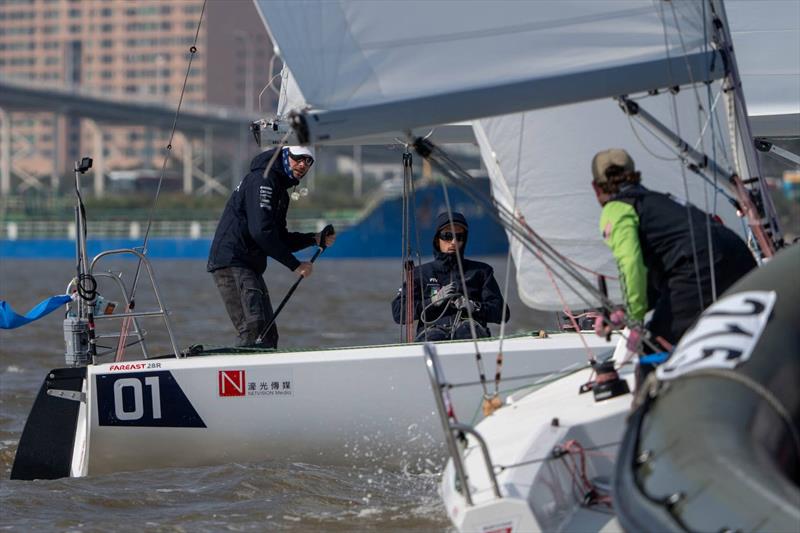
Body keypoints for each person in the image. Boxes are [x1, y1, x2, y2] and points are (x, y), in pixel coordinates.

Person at [590, 148, 756, 354]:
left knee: (652, 350)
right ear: (634, 177)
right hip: (741, 259)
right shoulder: (660, 201)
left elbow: (631, 264)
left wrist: (634, 320)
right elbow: (655, 276)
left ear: (596, 188)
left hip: (697, 267)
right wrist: (624, 313)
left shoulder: (616, 209)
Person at [207, 146, 335, 348]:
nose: (303, 164)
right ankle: (244, 376)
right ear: (285, 155)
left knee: (268, 334)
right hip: (234, 261)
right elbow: (261, 232)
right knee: (253, 328)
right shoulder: (263, 180)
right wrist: (295, 265)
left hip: (249, 265)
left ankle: (266, 376)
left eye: (309, 161)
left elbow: (279, 238)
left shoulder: (280, 191)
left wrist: (314, 238)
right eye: (298, 158)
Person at [391, 212, 509, 341]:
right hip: (431, 335)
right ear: (437, 239)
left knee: (466, 331)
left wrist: (475, 307)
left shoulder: (481, 272)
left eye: (459, 237)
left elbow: (503, 313)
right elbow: (398, 313)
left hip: (471, 335)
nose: (453, 242)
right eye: (447, 236)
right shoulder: (420, 274)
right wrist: (433, 301)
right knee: (435, 336)